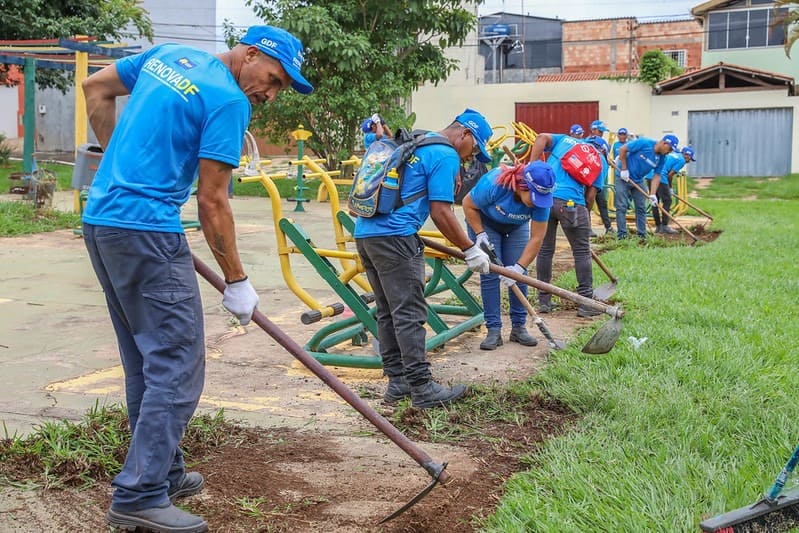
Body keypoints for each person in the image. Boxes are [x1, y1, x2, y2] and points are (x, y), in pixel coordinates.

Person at [81, 25, 313, 533]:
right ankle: (139, 495)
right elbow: (212, 200)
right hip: (147, 232)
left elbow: (94, 88)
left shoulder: (169, 55)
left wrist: (119, 160)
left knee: (147, 358)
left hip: (102, 222)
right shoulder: (230, 102)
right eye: (273, 79)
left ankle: (161, 471)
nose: (270, 94)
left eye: (279, 89)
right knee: (178, 364)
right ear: (250, 54)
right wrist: (237, 279)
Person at [354, 109, 492, 409]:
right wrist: (470, 248)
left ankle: (398, 383)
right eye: (475, 149)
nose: (471, 157)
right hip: (396, 237)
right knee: (409, 313)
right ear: (464, 135)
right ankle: (421, 387)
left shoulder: (419, 141)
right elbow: (441, 211)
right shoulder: (445, 155)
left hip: (366, 233)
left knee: (388, 311)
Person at [462, 160, 555, 350]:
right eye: (534, 196)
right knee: (490, 274)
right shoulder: (495, 184)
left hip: (515, 227)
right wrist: (480, 234)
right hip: (485, 223)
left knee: (519, 276)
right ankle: (494, 330)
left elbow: (537, 237)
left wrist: (519, 267)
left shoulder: (542, 200)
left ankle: (519, 328)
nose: (538, 202)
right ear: (522, 186)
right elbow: (468, 204)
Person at [529, 133, 607, 318]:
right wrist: (584, 218)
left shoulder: (565, 141)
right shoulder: (600, 159)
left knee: (545, 250)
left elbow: (540, 138)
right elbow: (590, 196)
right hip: (572, 204)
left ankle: (544, 302)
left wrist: (531, 168)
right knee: (581, 252)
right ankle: (586, 303)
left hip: (545, 200)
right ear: (603, 149)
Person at [615, 134, 679, 240]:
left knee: (641, 208)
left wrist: (653, 194)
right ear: (664, 143)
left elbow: (657, 175)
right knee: (621, 206)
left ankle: (642, 235)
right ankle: (622, 235)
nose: (670, 152)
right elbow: (623, 149)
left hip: (639, 180)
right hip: (623, 177)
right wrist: (624, 169)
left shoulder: (662, 158)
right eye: (670, 149)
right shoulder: (644, 143)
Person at [652, 146, 696, 234]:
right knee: (667, 201)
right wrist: (670, 188)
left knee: (654, 201)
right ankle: (664, 226)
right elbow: (670, 175)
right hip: (661, 177)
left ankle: (658, 226)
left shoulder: (674, 154)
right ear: (687, 156)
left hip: (652, 176)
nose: (689, 161)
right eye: (690, 159)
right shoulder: (681, 160)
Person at [588, 120, 613, 237]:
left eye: (602, 132)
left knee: (602, 202)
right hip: (588, 178)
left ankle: (608, 227)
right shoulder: (585, 143)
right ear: (593, 130)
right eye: (600, 131)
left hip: (599, 179)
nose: (602, 134)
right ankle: (586, 228)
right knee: (587, 202)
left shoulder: (602, 142)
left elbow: (605, 158)